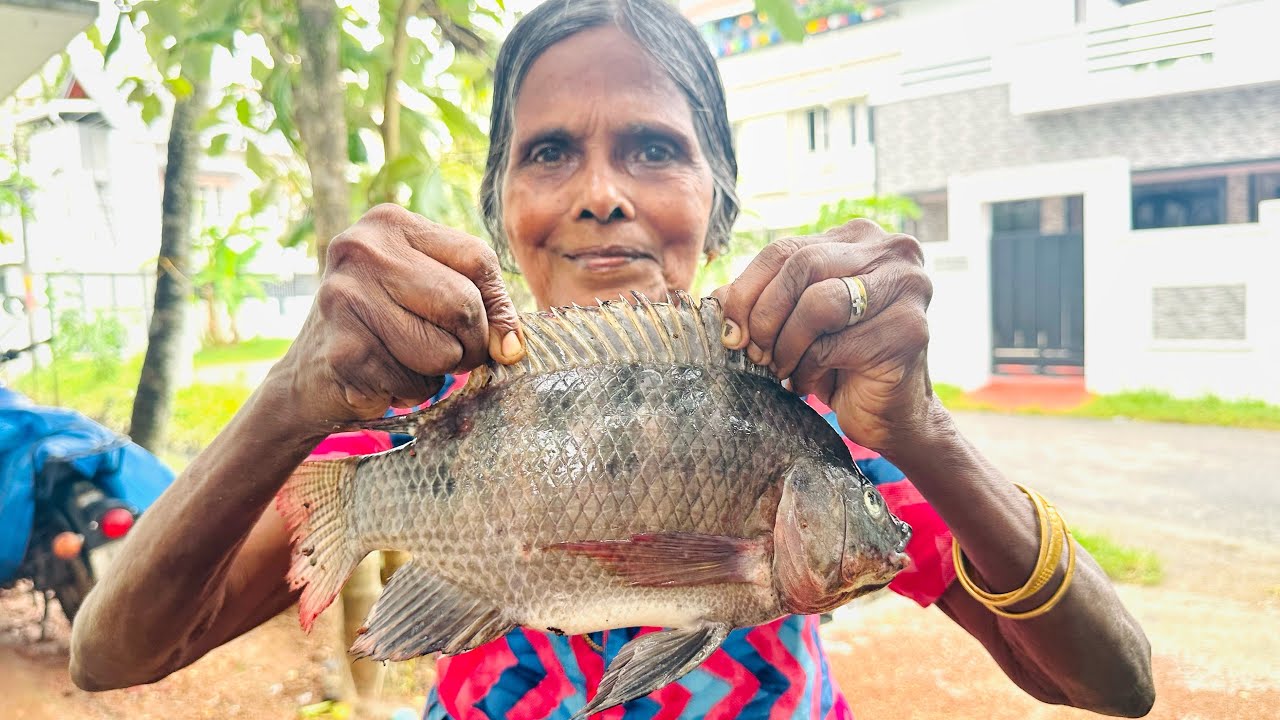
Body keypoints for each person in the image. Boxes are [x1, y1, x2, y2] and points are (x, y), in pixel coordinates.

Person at [69, 0, 1155, 717]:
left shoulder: (811, 425)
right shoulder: (426, 420)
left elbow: (1114, 684)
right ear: (503, 206)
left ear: (715, 199)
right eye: (549, 152)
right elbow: (113, 656)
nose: (600, 192)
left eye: (652, 148)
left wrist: (924, 434)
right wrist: (287, 401)